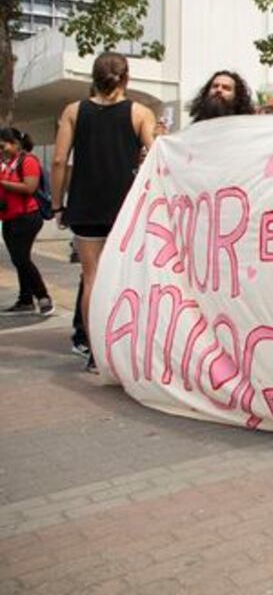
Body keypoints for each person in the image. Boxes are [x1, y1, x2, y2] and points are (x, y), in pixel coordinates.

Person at [50, 52, 157, 371]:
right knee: (126, 277)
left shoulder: (73, 111)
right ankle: (125, 346)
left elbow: (58, 161)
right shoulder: (140, 113)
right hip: (125, 207)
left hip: (85, 204)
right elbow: (155, 157)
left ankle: (96, 353)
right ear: (127, 78)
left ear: (93, 77)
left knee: (91, 277)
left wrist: (57, 205)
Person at [0, 127, 53, 316]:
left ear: (15, 143)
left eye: (3, 145)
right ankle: (25, 300)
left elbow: (29, 187)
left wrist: (2, 183)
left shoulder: (28, 161)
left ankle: (43, 297)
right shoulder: (7, 162)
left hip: (27, 217)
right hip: (9, 218)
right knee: (19, 260)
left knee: (21, 258)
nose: (1, 149)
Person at [187, 70, 255, 122]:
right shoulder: (196, 126)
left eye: (226, 88)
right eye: (215, 86)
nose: (219, 90)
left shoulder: (243, 127)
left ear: (237, 97)